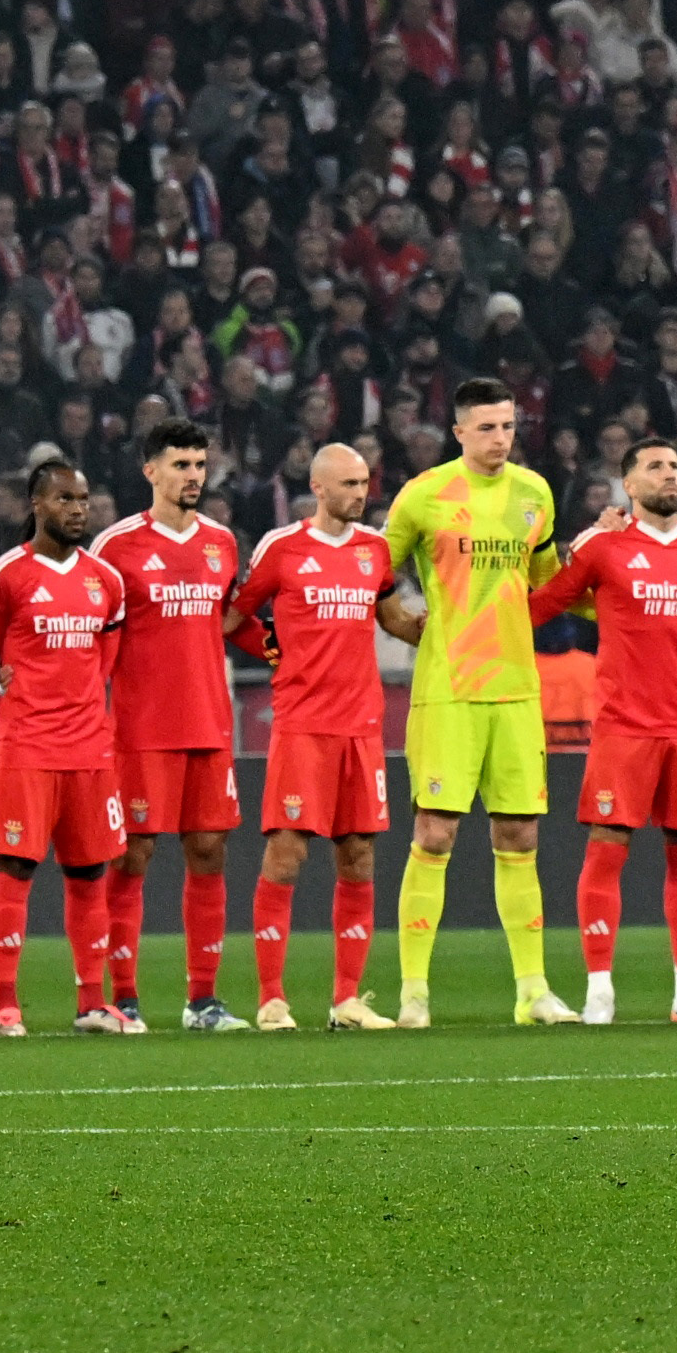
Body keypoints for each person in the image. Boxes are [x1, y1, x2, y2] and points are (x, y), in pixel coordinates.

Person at [376, 376, 569, 1030]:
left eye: (508, 426)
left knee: (520, 834)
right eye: (486, 427)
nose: (500, 438)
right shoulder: (424, 495)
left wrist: (605, 569)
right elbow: (372, 573)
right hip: (449, 690)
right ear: (458, 431)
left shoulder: (534, 493)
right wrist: (403, 625)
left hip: (516, 689)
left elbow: (547, 583)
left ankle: (533, 991)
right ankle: (413, 994)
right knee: (435, 833)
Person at [534, 435, 677, 1024]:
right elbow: (544, 604)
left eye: (674, 466)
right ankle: (599, 991)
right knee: (607, 850)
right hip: (624, 725)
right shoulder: (601, 545)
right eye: (655, 467)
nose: (670, 475)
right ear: (628, 484)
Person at [0, 456, 141, 1036]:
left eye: (83, 500)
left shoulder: (105, 581)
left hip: (88, 752)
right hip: (28, 751)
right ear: (36, 504)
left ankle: (91, 1003)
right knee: (16, 868)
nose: (77, 510)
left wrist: (85, 715)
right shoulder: (4, 576)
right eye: (65, 499)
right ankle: (6, 1007)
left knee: (89, 873)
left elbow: (104, 660)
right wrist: (8, 721)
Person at [225, 441, 398, 1029]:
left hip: (362, 727)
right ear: (318, 488)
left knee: (358, 855)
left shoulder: (376, 550)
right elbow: (233, 617)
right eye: (349, 484)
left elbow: (391, 616)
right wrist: (273, 649)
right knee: (287, 853)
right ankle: (272, 999)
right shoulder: (282, 548)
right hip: (302, 725)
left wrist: (439, 630)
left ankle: (347, 1000)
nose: (360, 493)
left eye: (364, 483)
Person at [94, 418, 252, 1033]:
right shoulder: (116, 547)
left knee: (209, 851)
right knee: (133, 855)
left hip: (208, 723)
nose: (194, 476)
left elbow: (231, 618)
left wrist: (280, 645)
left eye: (199, 465)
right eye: (181, 465)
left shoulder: (221, 542)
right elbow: (93, 633)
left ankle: (203, 1001)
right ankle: (125, 999)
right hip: (140, 729)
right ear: (150, 471)